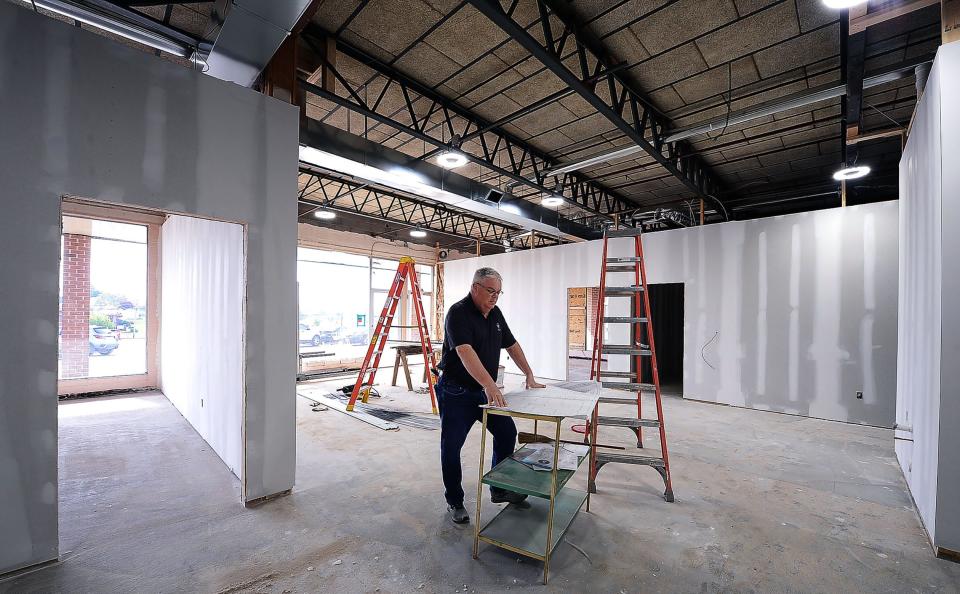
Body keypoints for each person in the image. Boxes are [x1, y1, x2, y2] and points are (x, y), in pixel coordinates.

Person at [436, 267, 545, 525]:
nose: (495, 297)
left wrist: (528, 373)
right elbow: (465, 352)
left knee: (507, 433)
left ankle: (499, 487)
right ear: (475, 288)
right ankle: (455, 500)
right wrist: (490, 384)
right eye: (490, 291)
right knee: (451, 447)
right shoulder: (458, 313)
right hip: (456, 392)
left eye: (498, 292)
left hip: (483, 391)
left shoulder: (495, 314)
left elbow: (512, 344)